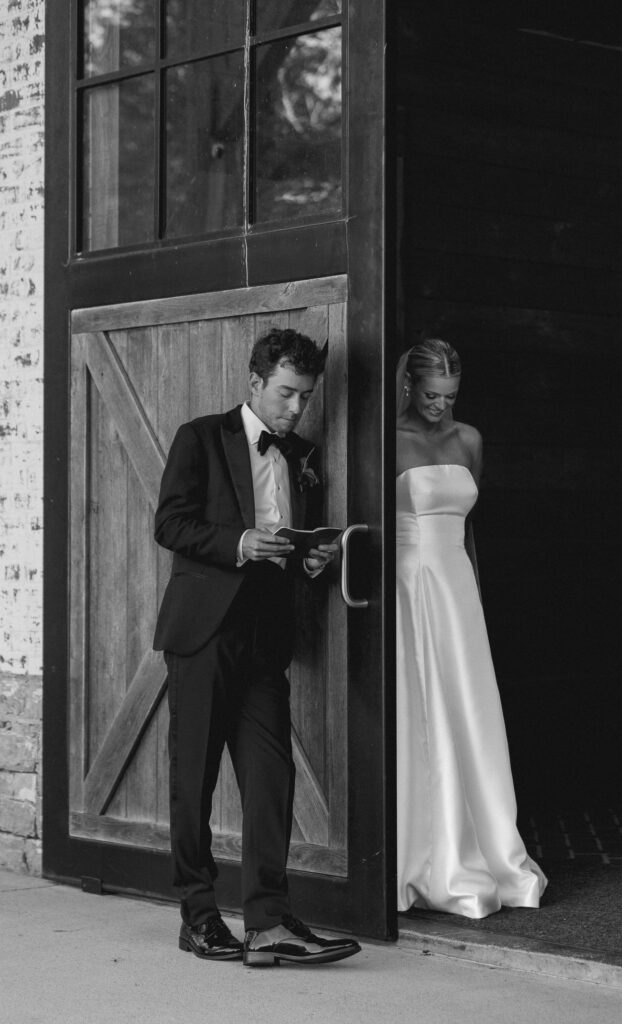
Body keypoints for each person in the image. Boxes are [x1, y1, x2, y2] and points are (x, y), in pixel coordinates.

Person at [153, 327, 361, 966]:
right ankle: (199, 914)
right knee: (195, 778)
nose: (297, 408)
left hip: (266, 640)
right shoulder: (199, 437)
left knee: (272, 780)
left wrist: (315, 560)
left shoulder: (304, 453)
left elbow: (298, 548)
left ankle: (268, 921)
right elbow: (170, 523)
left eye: (305, 396)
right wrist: (239, 542)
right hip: (203, 633)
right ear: (255, 383)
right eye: (287, 394)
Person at [396, 338, 547, 918]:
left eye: (451, 395)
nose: (440, 405)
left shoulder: (469, 440)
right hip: (412, 586)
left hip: (458, 586)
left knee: (471, 712)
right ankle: (426, 855)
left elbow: (469, 525)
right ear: (410, 385)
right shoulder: (390, 439)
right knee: (424, 711)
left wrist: (475, 587)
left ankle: (487, 849)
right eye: (431, 394)